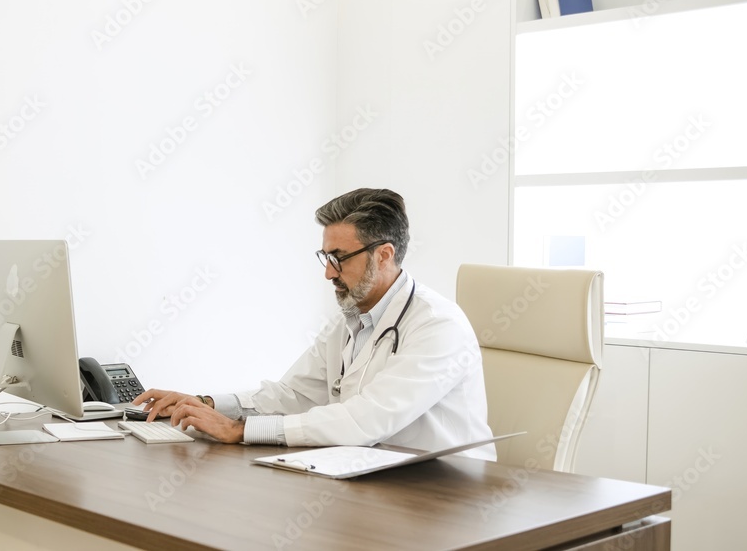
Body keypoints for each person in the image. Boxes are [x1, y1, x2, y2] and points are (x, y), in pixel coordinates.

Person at [134, 188, 495, 458]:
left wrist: (240, 431)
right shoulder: (354, 318)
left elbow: (367, 420)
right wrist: (209, 404)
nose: (327, 273)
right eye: (325, 257)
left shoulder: (438, 326)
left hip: (448, 492)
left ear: (384, 255)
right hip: (373, 472)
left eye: (339, 258)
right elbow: (294, 395)